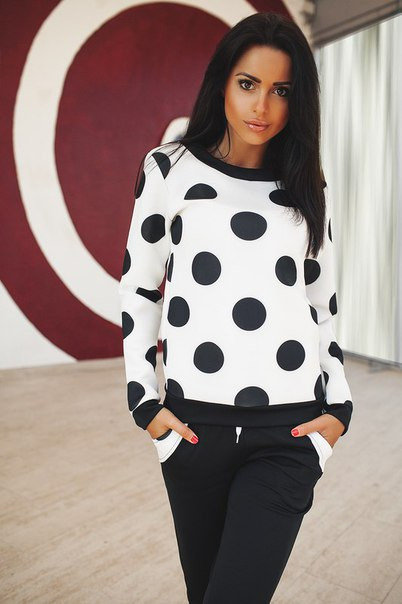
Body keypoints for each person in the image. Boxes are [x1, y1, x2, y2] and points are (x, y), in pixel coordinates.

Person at [118, 11, 353, 604]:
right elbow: (140, 288)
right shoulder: (168, 169)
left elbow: (320, 302)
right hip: (193, 432)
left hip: (289, 431)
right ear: (221, 82)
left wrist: (339, 407)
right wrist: (145, 402)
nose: (262, 106)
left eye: (282, 90)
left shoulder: (308, 185)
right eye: (248, 83)